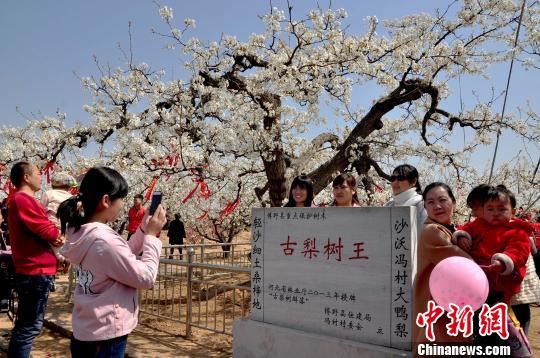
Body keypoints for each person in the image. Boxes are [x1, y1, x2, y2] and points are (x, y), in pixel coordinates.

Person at [58, 166, 166, 357]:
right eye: (121, 199)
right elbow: (146, 277)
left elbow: (119, 257)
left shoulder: (82, 233)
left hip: (88, 330)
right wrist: (150, 237)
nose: (123, 204)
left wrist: (142, 229)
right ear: (106, 201)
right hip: (106, 335)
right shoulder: (103, 240)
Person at [7, 161, 64, 358]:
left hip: (34, 270)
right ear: (26, 177)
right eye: (39, 173)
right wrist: (59, 234)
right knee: (30, 326)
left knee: (26, 324)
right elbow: (45, 229)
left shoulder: (20, 199)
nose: (42, 177)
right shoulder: (23, 199)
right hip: (35, 271)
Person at [413, 182, 473, 352]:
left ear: (453, 203)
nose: (437, 206)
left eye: (442, 200)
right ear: (425, 207)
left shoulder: (449, 230)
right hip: (439, 315)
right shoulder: (433, 231)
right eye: (430, 202)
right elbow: (467, 266)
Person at [454, 185, 532, 304]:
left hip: (500, 280)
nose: (495, 213)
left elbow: (518, 251)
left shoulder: (517, 231)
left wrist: (504, 261)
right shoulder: (479, 224)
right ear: (484, 211)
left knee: (496, 311)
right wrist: (462, 236)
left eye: (501, 209)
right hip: (476, 277)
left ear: (513, 212)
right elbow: (465, 229)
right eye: (490, 209)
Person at [384, 164, 427, 284]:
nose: (395, 182)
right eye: (393, 178)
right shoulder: (389, 205)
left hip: (412, 265)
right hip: (390, 264)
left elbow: (421, 237)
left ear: (413, 181)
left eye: (401, 178)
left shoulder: (421, 204)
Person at [40, 171, 77, 263]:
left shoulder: (48, 194)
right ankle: (66, 260)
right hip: (65, 229)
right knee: (63, 247)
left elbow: (41, 210)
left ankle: (61, 258)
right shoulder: (72, 197)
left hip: (51, 227)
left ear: (53, 185)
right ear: (69, 187)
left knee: (53, 248)